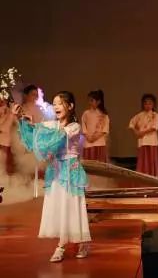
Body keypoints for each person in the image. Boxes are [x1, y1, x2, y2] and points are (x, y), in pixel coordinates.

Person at [13, 91, 91, 262]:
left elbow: (56, 137)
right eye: (54, 103)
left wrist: (39, 129)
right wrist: (21, 118)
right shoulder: (53, 125)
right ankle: (66, 243)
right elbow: (36, 132)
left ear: (70, 106)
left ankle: (70, 244)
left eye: (60, 103)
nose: (56, 107)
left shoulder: (74, 127)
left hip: (70, 171)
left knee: (72, 206)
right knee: (59, 207)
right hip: (56, 170)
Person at [129, 93, 158, 176]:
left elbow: (154, 127)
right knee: (143, 158)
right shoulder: (139, 115)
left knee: (151, 158)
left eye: (150, 103)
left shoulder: (155, 115)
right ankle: (143, 175)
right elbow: (131, 123)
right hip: (142, 140)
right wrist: (136, 132)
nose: (147, 105)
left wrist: (142, 132)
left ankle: (152, 174)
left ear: (153, 104)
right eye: (145, 103)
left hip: (152, 140)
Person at [81, 90, 110, 162]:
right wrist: (88, 137)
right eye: (89, 100)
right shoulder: (86, 113)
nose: (89, 103)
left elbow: (105, 129)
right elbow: (83, 127)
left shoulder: (104, 115)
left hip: (99, 143)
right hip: (88, 143)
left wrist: (95, 137)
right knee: (89, 164)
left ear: (98, 102)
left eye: (92, 100)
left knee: (99, 165)